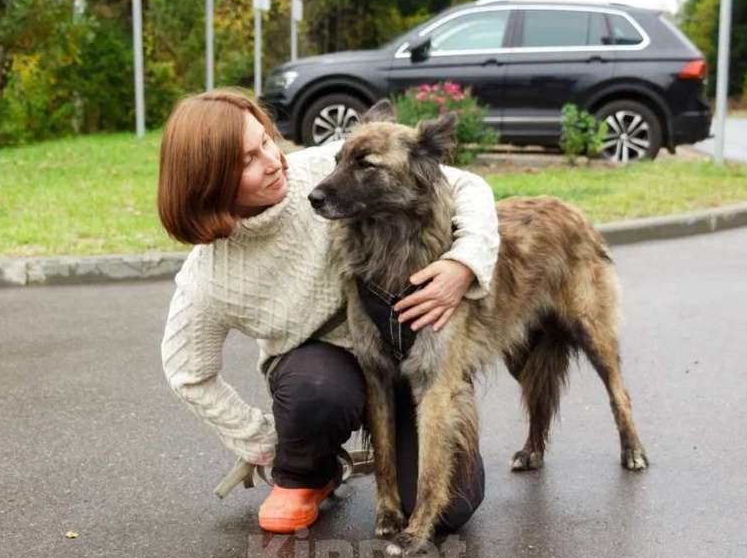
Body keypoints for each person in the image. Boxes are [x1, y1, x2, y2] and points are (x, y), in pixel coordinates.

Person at [157, 89, 499, 535]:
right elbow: (187, 372)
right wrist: (265, 441)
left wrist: (464, 262)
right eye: (246, 160)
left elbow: (466, 184)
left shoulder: (319, 169)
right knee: (316, 389)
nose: (272, 160)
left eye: (266, 140)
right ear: (209, 178)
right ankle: (307, 472)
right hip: (324, 371)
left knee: (449, 511)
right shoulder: (208, 277)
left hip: (402, 352)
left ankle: (393, 450)